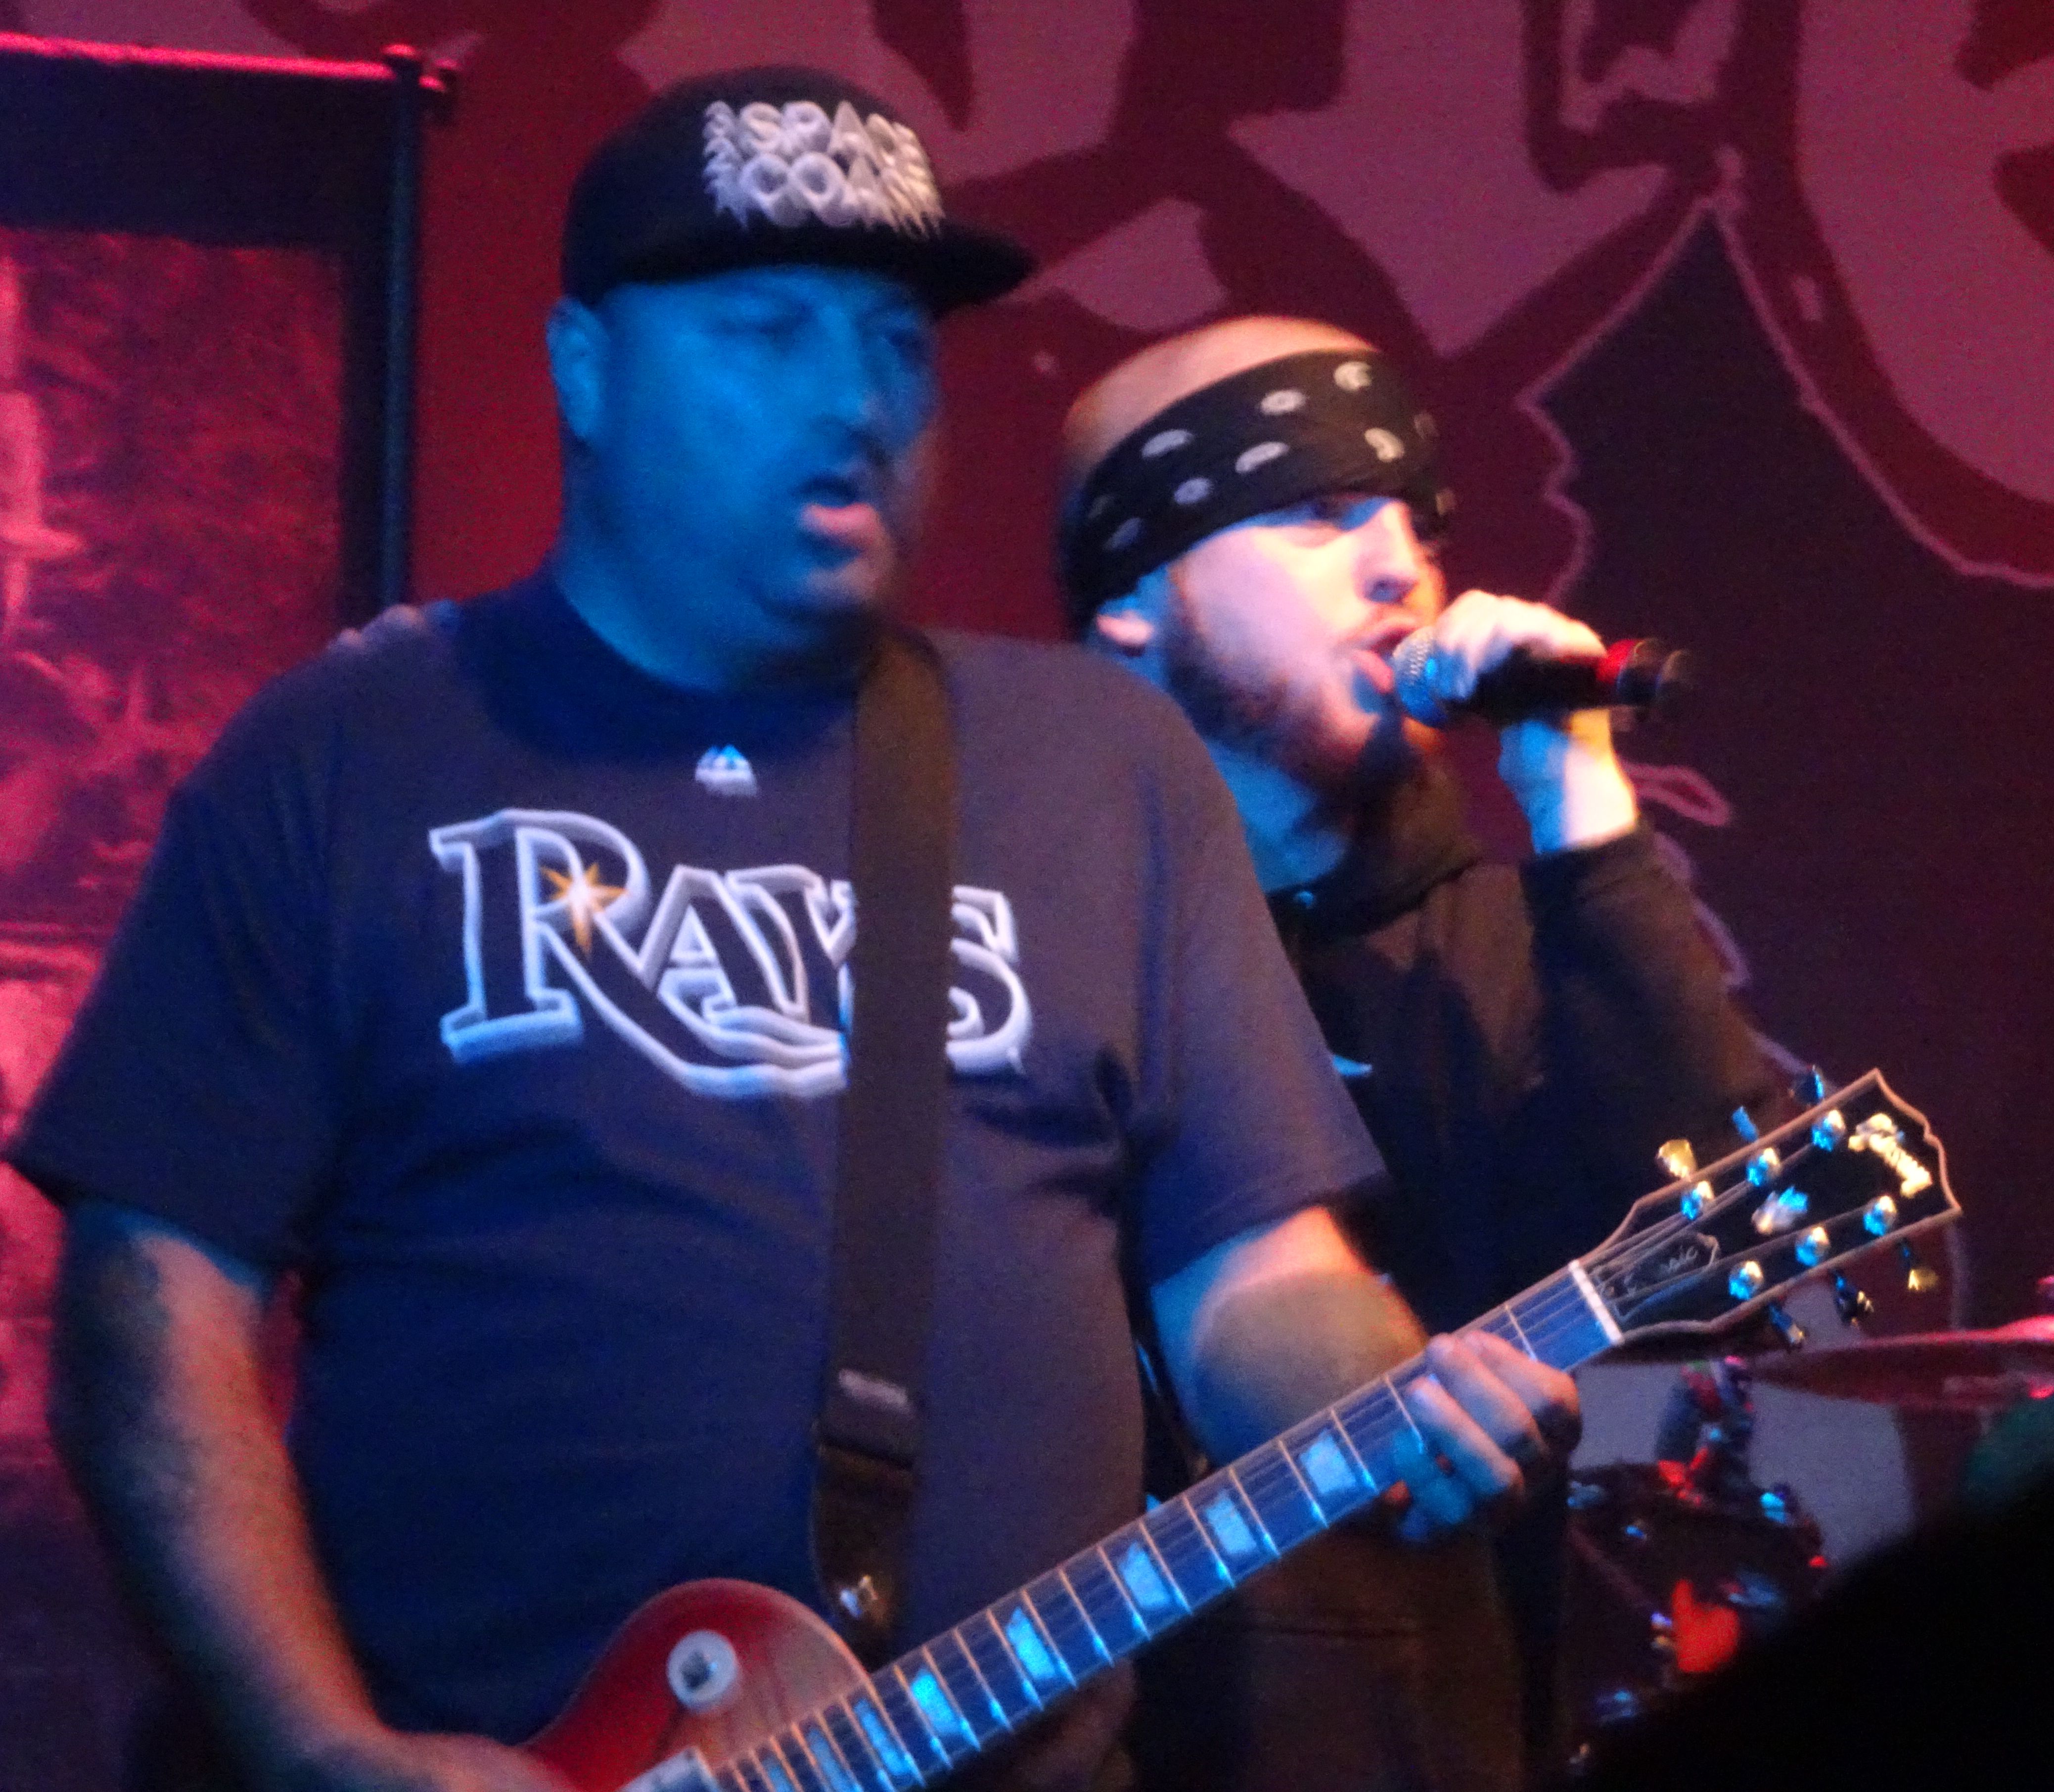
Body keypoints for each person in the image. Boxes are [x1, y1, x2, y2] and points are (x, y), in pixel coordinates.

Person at [8, 74, 1578, 1792]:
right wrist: (317, 1743)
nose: (852, 401)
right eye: (767, 333)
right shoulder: (349, 753)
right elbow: (151, 1318)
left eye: (893, 343)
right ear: (585, 372)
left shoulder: (1095, 764)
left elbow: (1251, 1284)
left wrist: (1386, 1388)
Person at [1061, 316, 1785, 1787]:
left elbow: (1749, 1258)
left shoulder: (1513, 949)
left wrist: (1574, 788)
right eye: (1322, 514)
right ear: (1135, 595)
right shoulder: (1014, 939)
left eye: (1416, 524)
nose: (1401, 566)